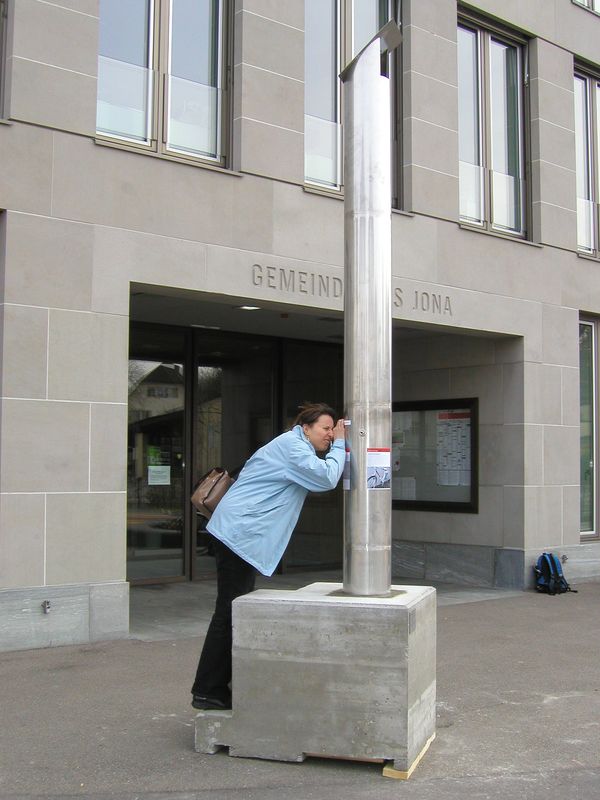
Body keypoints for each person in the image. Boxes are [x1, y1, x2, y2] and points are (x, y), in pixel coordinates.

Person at [191, 402, 346, 710]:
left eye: (333, 428)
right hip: (238, 535)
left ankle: (215, 687)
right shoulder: (292, 447)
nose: (330, 434)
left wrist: (336, 444)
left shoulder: (293, 446)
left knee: (231, 609)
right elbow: (327, 478)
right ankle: (208, 689)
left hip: (239, 535)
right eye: (325, 428)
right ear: (305, 428)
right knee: (229, 611)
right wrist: (341, 444)